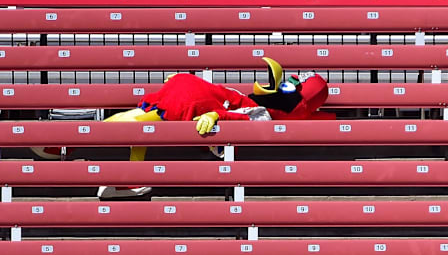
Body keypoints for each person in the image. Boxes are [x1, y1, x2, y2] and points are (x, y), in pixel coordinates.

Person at [98, 57, 332, 199]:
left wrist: (213, 115)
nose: (284, 86)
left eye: (292, 87)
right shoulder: (251, 100)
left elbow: (240, 120)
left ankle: (131, 180)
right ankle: (65, 146)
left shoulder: (262, 114)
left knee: (135, 124)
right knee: (127, 120)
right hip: (188, 97)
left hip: (192, 107)